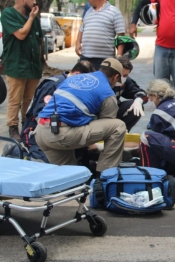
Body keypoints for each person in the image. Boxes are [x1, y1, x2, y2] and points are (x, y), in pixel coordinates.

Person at [35, 58, 127, 176]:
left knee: (70, 179)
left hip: (41, 132)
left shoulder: (75, 78)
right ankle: (104, 178)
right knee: (118, 126)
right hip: (62, 134)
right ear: (115, 77)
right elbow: (107, 125)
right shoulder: (107, 92)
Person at [20, 61, 95, 162]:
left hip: (62, 131)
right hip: (36, 131)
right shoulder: (53, 85)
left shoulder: (75, 88)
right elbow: (40, 116)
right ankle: (17, 154)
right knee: (48, 163)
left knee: (81, 158)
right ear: (77, 75)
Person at [0, 0, 42, 141]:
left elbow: (39, 39)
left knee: (29, 100)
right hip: (17, 65)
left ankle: (27, 125)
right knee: (15, 99)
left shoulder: (33, 17)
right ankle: (13, 127)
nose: (35, 2)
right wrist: (31, 18)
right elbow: (21, 34)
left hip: (33, 66)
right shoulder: (8, 14)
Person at [75, 0, 125, 70]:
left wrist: (119, 57)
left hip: (105, 60)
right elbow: (81, 29)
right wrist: (78, 43)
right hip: (85, 58)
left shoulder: (114, 12)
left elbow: (121, 37)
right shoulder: (88, 12)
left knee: (102, 80)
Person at [115, 56, 148, 132]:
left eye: (125, 75)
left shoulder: (126, 81)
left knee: (136, 106)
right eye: (119, 75)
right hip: (99, 114)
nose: (121, 78)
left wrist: (139, 100)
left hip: (114, 109)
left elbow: (141, 93)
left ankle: (122, 132)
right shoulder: (101, 81)